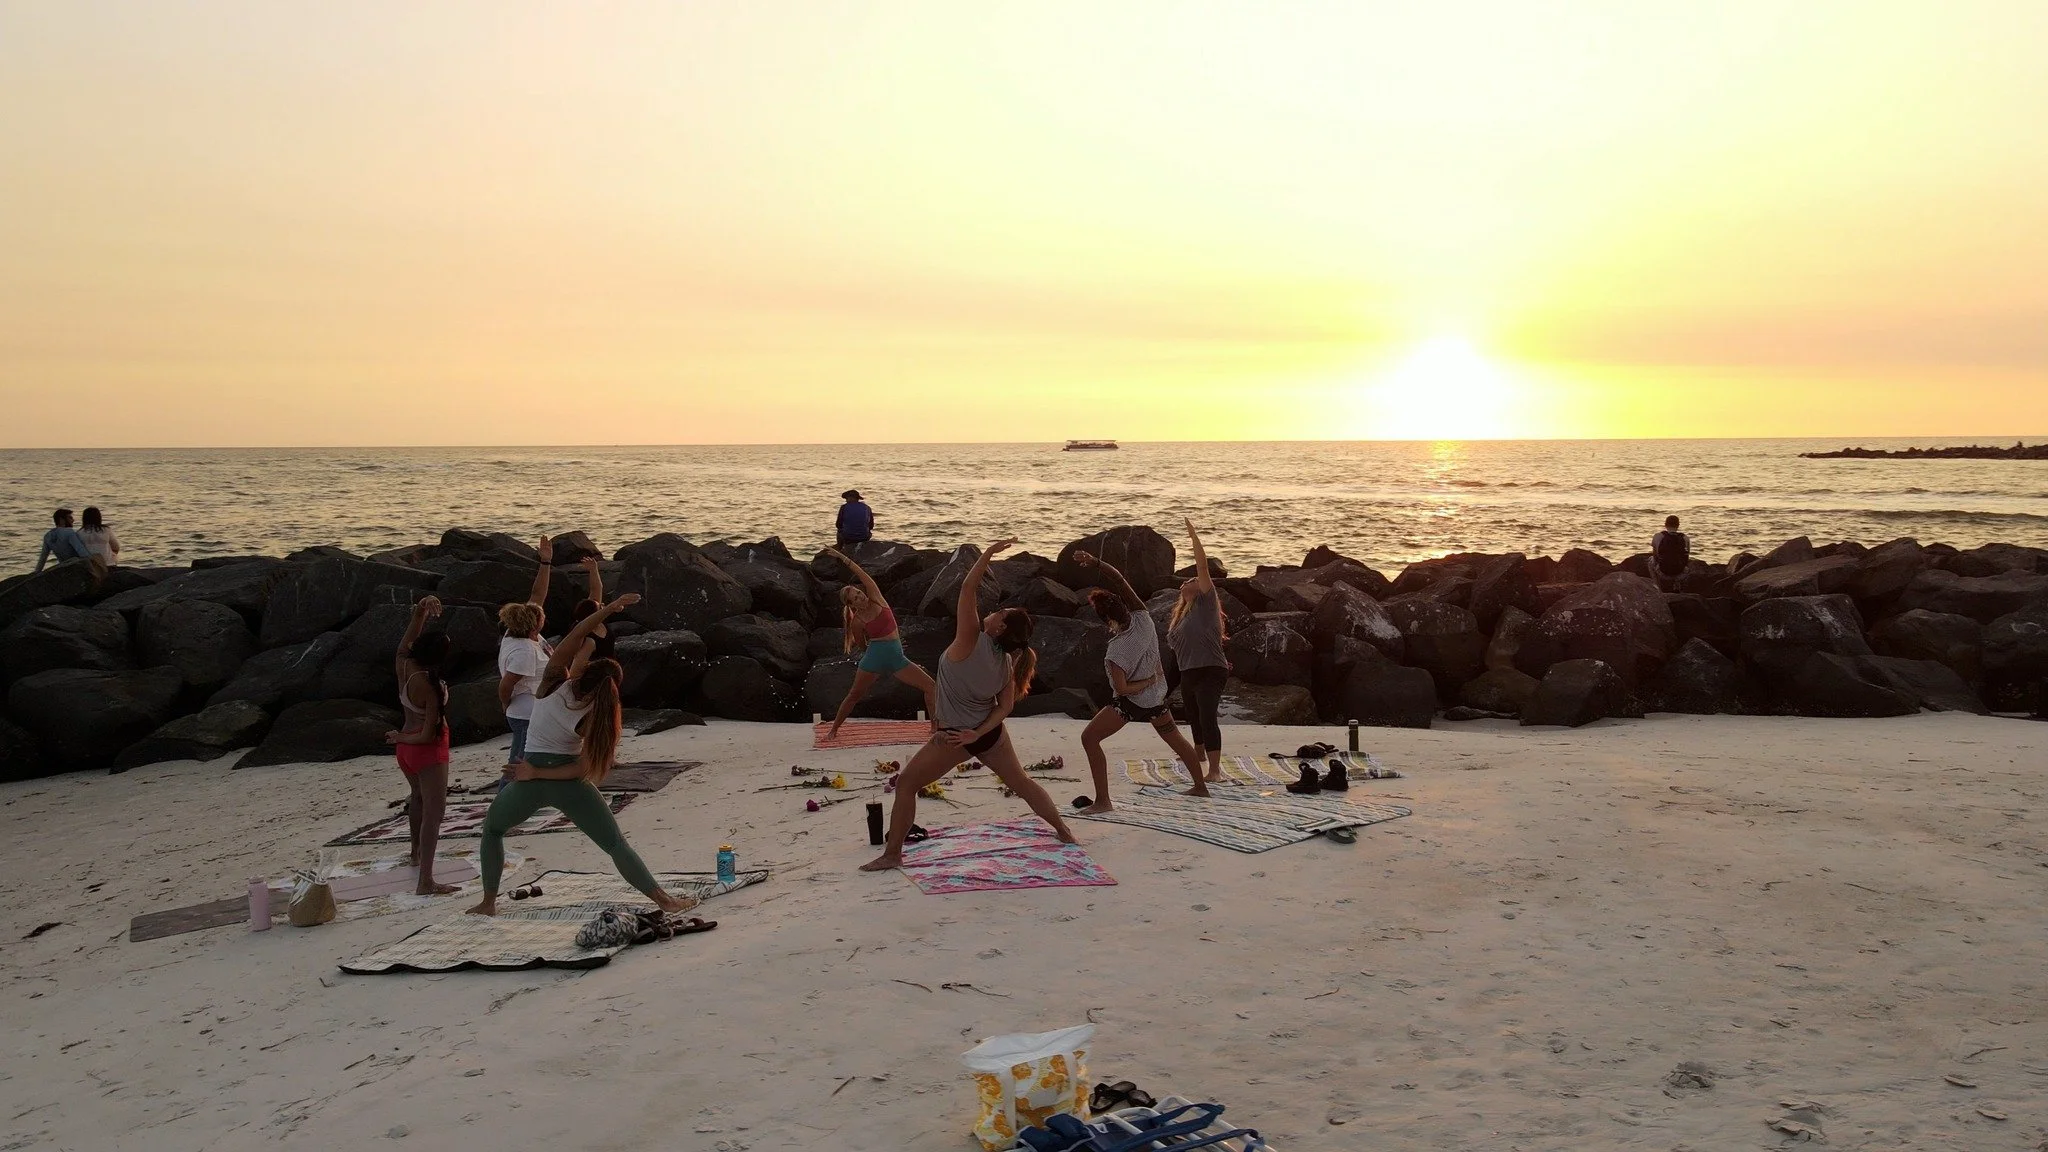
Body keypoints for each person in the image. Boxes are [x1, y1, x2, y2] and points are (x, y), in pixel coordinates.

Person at [468, 593, 698, 917]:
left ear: (585, 670)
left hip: (530, 778)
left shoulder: (552, 681)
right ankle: (665, 901)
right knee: (615, 844)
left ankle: (488, 903)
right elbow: (583, 768)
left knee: (493, 830)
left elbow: (577, 634)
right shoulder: (597, 717)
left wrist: (609, 609)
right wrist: (539, 773)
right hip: (566, 783)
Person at [861, 539, 1077, 872]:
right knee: (1022, 783)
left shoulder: (970, 640)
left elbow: (967, 589)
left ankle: (893, 855)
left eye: (1000, 612)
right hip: (989, 736)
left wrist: (987, 554)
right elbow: (1004, 708)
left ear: (1000, 627)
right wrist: (979, 733)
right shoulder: (1007, 663)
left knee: (906, 785)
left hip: (956, 737)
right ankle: (1063, 831)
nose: (995, 611)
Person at [1073, 550, 1207, 812]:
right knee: (1177, 741)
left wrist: (1145, 683)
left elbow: (1122, 689)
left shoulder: (1116, 650)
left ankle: (1103, 801)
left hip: (1130, 703)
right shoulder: (1143, 618)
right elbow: (1120, 580)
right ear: (1124, 606)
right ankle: (1200, 787)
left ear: (1108, 620)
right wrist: (1097, 562)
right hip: (1156, 699)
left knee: (1089, 738)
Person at [385, 595, 460, 895]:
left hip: (406, 752)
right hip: (425, 749)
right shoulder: (430, 687)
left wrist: (420, 612)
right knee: (435, 813)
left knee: (417, 797)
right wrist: (402, 737)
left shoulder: (404, 664)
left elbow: (405, 644)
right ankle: (426, 881)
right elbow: (429, 735)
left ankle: (415, 852)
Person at [822, 545, 938, 737]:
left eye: (858, 593)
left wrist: (841, 557)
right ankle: (833, 730)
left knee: (931, 687)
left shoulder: (876, 598)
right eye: (855, 598)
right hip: (874, 660)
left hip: (897, 659)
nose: (860, 597)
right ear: (851, 605)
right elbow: (862, 645)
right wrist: (880, 650)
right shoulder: (857, 622)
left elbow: (861, 573)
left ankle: (934, 727)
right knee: (853, 695)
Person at [1167, 518, 1231, 785]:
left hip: (1210, 670)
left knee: (1206, 716)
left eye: (1193, 579)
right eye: (1187, 580)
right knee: (1193, 715)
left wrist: (1194, 539)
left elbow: (1202, 567)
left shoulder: (1206, 603)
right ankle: (1199, 753)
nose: (1189, 580)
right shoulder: (1180, 616)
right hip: (1188, 671)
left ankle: (1215, 770)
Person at [496, 537, 556, 766]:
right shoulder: (524, 651)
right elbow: (506, 684)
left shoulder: (517, 632)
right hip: (525, 715)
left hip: (534, 711)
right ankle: (507, 790)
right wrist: (505, 704)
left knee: (531, 762)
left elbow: (538, 595)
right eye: (542, 617)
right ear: (535, 625)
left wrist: (545, 563)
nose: (543, 615)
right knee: (519, 764)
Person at [1651, 515, 1691, 592]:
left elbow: (1655, 555)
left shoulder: (1657, 536)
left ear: (1665, 524)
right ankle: (1677, 584)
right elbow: (1686, 557)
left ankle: (1658, 587)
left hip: (1663, 572)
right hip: (1680, 573)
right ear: (1678, 525)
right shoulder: (1685, 538)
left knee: (1650, 560)